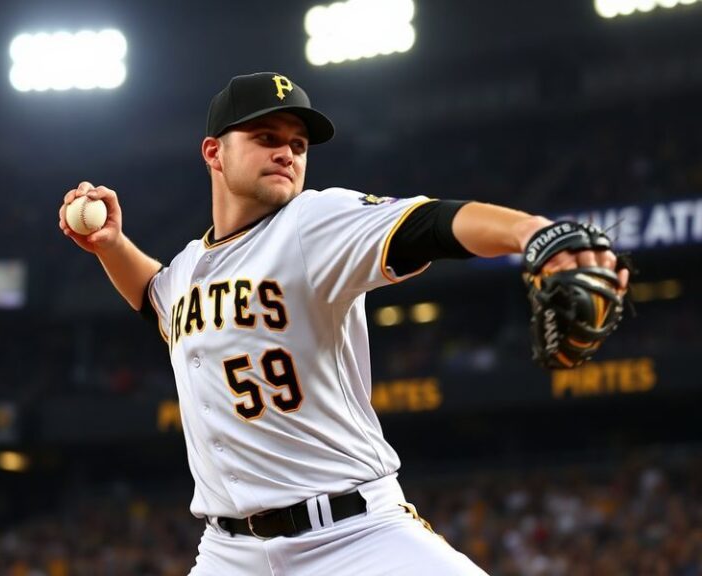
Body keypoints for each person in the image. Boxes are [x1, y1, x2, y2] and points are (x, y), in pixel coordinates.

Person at [59, 72, 629, 575]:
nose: (287, 152)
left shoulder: (312, 223)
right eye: (266, 138)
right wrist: (110, 247)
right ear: (214, 152)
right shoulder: (186, 270)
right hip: (228, 554)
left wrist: (531, 232)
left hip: (355, 538)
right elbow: (156, 297)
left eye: (298, 144)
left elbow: (431, 222)